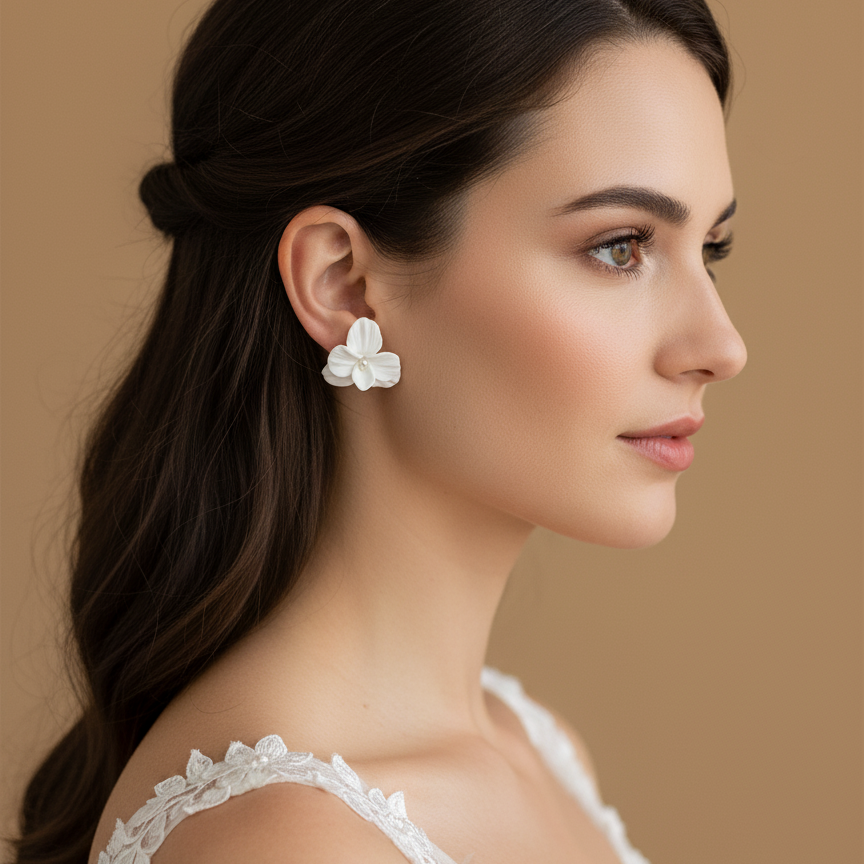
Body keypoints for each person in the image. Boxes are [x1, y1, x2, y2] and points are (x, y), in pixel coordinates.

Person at [12, 0, 747, 861]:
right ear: (344, 284)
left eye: (713, 248)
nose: (722, 347)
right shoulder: (287, 841)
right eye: (621, 246)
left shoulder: (538, 748)